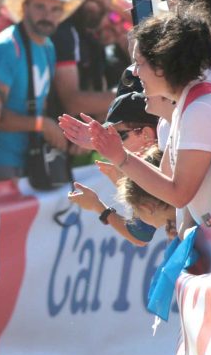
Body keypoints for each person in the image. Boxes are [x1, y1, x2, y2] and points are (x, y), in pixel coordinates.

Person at [76, 7, 211, 229]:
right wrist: (113, 151)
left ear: (162, 65)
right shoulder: (187, 107)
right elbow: (161, 184)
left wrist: (120, 157)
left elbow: (177, 195)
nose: (134, 72)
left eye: (140, 62)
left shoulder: (201, 111)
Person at [0, 0, 74, 181]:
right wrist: (42, 125)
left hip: (32, 162)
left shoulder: (47, 46)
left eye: (55, 9)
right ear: (24, 7)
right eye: (40, 6)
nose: (48, 15)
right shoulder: (5, 49)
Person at [65, 92, 164, 246]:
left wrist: (97, 206)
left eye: (119, 135)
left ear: (145, 134)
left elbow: (140, 235)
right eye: (108, 134)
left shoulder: (164, 163)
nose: (112, 141)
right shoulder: (158, 158)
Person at [49, 0, 121, 117]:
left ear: (110, 0)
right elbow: (73, 103)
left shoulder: (91, 39)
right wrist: (140, 96)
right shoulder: (64, 30)